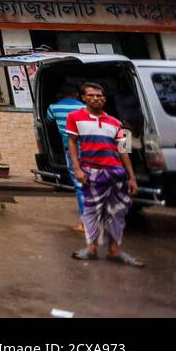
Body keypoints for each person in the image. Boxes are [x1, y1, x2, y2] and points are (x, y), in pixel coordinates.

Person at [66, 82, 143, 266]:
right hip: (91, 171)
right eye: (91, 95)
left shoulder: (117, 123)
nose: (96, 99)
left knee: (116, 212)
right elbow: (72, 143)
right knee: (92, 212)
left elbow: (124, 151)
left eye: (100, 96)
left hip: (116, 173)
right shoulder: (75, 117)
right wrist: (76, 168)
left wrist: (131, 177)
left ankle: (115, 250)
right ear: (83, 98)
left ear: (105, 99)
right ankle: (91, 249)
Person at [47, 84, 87, 231]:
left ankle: (85, 223)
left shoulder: (54, 107)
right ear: (77, 94)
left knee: (80, 185)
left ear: (60, 95)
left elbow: (48, 121)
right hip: (90, 148)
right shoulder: (85, 108)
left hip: (72, 149)